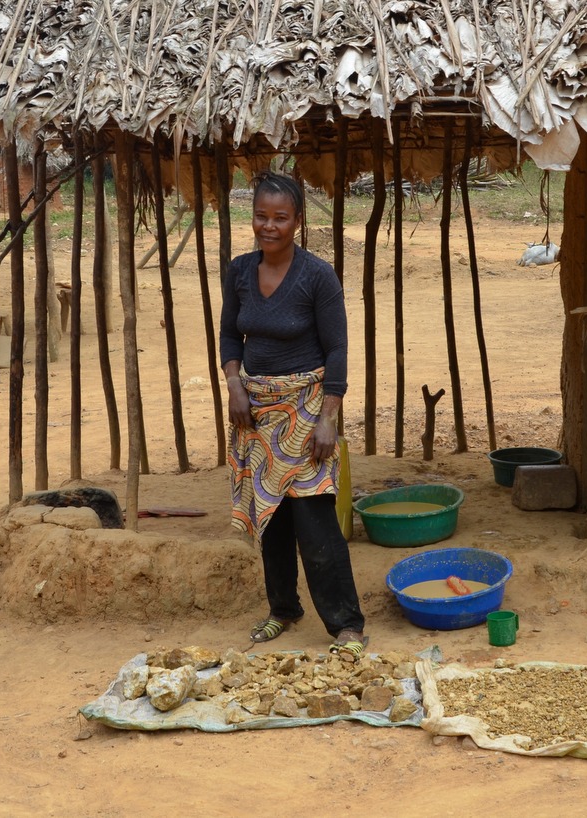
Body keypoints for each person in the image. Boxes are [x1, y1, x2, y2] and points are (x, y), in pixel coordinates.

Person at [219, 171, 368, 660]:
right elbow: (228, 337)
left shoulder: (317, 276)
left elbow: (339, 348)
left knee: (313, 516)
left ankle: (346, 624)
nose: (269, 226)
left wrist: (329, 417)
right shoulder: (240, 272)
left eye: (280, 218)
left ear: (298, 221)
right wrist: (234, 383)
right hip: (256, 414)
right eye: (261, 216)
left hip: (306, 410)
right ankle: (282, 610)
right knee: (272, 518)